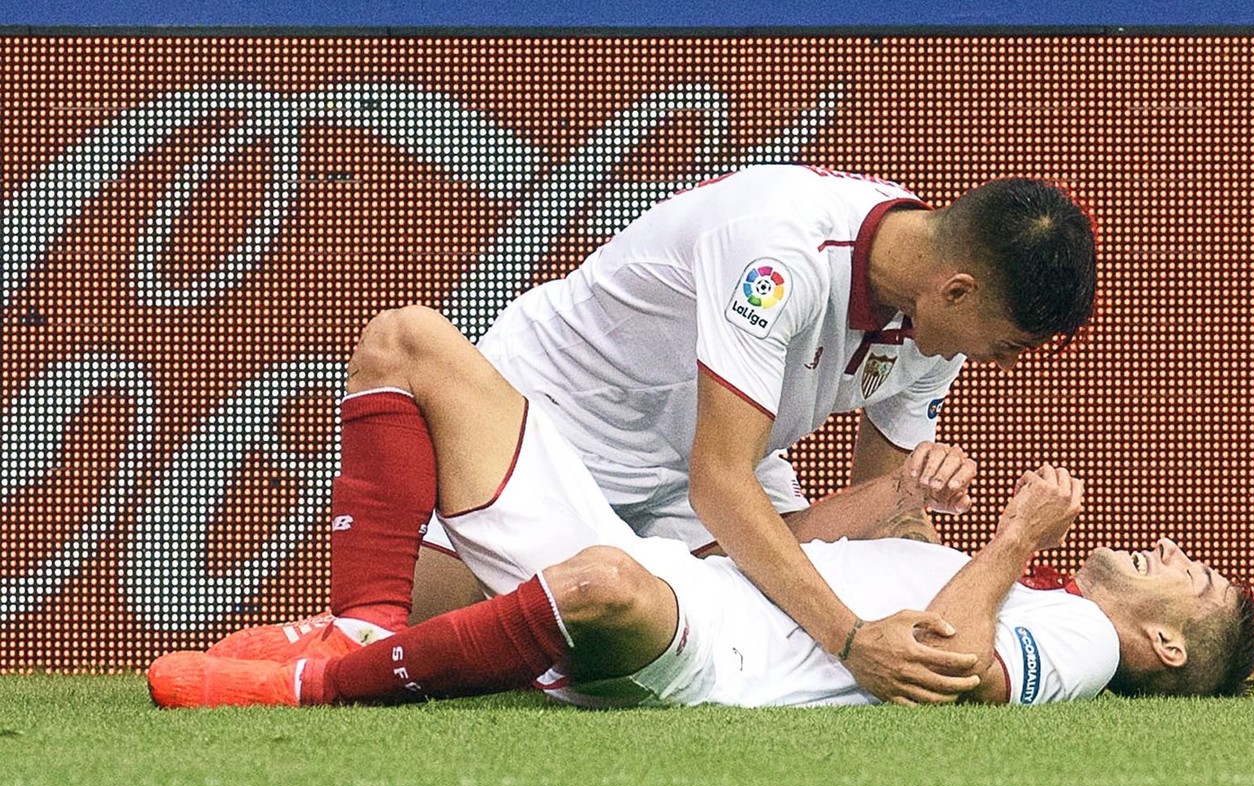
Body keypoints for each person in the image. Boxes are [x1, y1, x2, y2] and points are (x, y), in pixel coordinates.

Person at [217, 165, 1100, 705]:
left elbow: (884, 520)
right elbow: (723, 482)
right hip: (568, 422)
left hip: (704, 471)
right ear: (958, 289)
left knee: (652, 619)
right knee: (430, 634)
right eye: (1010, 345)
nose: (1004, 363)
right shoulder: (781, 252)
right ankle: (354, 636)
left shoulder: (932, 321)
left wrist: (925, 553)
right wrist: (847, 641)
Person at [150, 309, 1254, 710]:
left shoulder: (1076, 640)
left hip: (707, 656)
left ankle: (315, 684)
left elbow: (955, 669)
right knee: (408, 342)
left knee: (598, 587)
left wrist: (1018, 535)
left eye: (1191, 575)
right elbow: (787, 551)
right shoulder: (1026, 591)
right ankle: (358, 631)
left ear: (1162, 639)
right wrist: (895, 502)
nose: (1172, 549)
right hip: (693, 574)